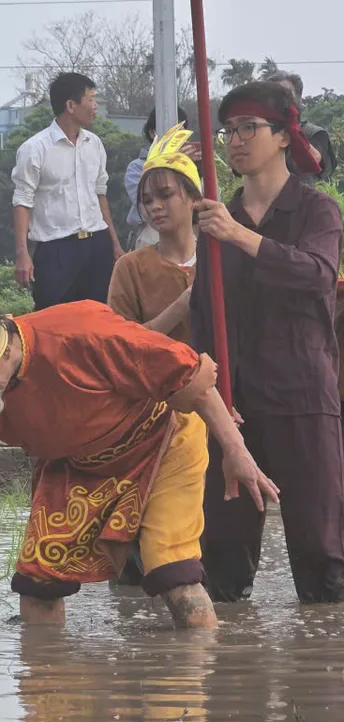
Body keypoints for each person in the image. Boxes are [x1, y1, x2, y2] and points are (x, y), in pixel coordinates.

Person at [0, 269, 279, 630]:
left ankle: (200, 674)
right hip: (78, 465)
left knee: (172, 571)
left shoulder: (82, 331)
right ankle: (49, 689)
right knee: (38, 581)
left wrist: (236, 452)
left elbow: (187, 376)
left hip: (160, 440)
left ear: (7, 349)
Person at [190, 81, 344, 605]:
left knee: (322, 553)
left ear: (283, 136)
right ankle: (227, 658)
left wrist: (238, 235)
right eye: (228, 131)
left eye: (247, 129)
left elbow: (317, 274)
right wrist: (211, 399)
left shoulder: (317, 211)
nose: (234, 141)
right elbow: (203, 314)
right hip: (234, 405)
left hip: (302, 396)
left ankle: (324, 653)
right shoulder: (215, 221)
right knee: (221, 558)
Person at [12, 72, 125, 310]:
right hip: (56, 250)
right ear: (71, 106)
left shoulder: (94, 144)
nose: (95, 106)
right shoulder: (35, 149)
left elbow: (100, 195)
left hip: (96, 245)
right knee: (54, 320)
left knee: (98, 317)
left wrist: (114, 243)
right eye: (91, 100)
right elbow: (22, 201)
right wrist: (22, 253)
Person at [109, 123, 202, 345]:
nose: (155, 206)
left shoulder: (221, 260)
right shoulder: (130, 268)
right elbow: (120, 345)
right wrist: (179, 307)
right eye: (147, 200)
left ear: (195, 199)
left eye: (166, 195)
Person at [124, 107, 194, 251]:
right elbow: (144, 206)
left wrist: (201, 169)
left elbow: (210, 201)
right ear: (152, 133)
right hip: (152, 235)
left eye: (180, 132)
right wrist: (172, 164)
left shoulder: (190, 166)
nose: (175, 138)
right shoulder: (137, 167)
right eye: (169, 132)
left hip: (188, 235)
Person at [265, 70, 336, 184]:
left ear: (298, 99)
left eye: (285, 94)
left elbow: (314, 160)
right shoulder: (259, 131)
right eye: (273, 94)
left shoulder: (313, 132)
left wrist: (292, 128)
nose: (279, 100)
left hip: (301, 194)